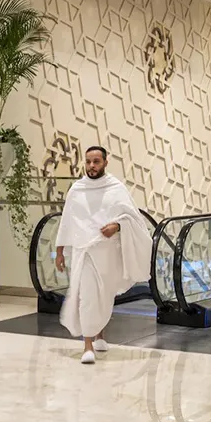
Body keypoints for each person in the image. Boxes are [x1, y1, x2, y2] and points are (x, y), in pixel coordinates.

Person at [55, 146, 152, 364]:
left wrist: (117, 226)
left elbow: (133, 219)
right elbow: (67, 221)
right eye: (88, 162)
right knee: (87, 296)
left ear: (105, 162)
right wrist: (59, 252)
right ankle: (87, 345)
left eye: (96, 161)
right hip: (84, 251)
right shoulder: (77, 189)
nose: (91, 166)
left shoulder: (116, 188)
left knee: (105, 295)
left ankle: (100, 336)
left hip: (108, 252)